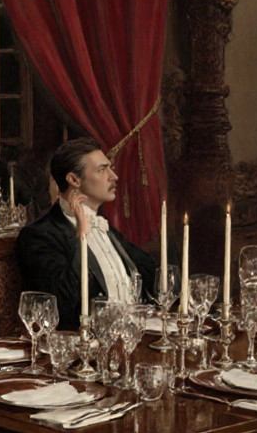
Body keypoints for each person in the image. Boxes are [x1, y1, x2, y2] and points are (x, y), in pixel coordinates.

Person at [15, 137, 156, 327]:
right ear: (73, 179)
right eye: (101, 170)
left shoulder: (104, 229)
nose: (113, 176)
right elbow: (62, 304)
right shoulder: (38, 236)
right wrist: (80, 237)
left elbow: (152, 274)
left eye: (109, 167)